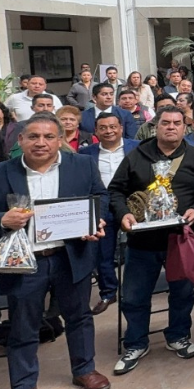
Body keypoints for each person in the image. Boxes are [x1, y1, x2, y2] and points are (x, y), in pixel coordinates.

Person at [0, 113, 110, 389]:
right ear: (19, 140)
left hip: (70, 255)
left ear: (60, 139)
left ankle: (84, 370)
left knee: (79, 316)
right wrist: (1, 220)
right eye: (33, 136)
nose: (41, 142)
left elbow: (100, 197)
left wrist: (95, 220)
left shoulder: (81, 165)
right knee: (23, 323)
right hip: (24, 260)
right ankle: (23, 386)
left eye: (48, 136)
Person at [109, 106, 194, 375]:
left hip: (180, 239)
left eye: (177, 123)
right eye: (166, 122)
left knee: (182, 293)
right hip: (143, 241)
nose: (171, 127)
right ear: (156, 126)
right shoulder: (136, 156)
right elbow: (116, 191)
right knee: (134, 295)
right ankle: (135, 342)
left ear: (185, 127)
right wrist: (124, 214)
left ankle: (178, 335)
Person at [76, 113, 137, 315]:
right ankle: (108, 291)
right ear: (96, 131)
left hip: (132, 206)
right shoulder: (85, 154)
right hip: (101, 206)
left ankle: (136, 288)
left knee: (139, 251)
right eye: (103, 127)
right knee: (103, 254)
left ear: (121, 128)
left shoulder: (137, 147)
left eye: (113, 127)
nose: (109, 131)